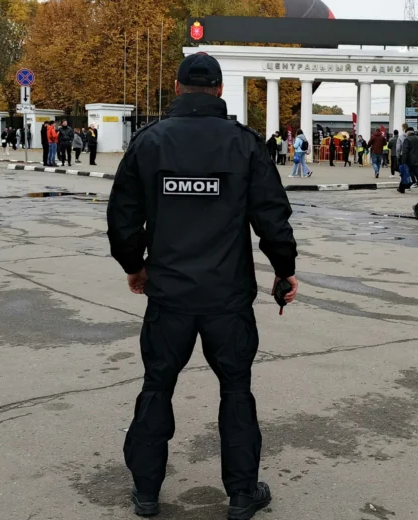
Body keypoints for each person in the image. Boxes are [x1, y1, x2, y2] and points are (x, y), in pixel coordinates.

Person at [106, 52, 297, 520]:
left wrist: (135, 266)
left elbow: (123, 219)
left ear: (176, 88)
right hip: (226, 298)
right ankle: (242, 494)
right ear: (219, 90)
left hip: (169, 296)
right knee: (236, 389)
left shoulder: (149, 142)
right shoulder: (244, 144)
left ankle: (146, 492)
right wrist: (284, 268)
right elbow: (271, 216)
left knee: (157, 386)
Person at [400, 127, 418, 194]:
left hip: (409, 161)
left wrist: (403, 161)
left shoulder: (407, 139)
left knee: (405, 174)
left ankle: (402, 188)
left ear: (408, 132)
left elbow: (405, 151)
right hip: (417, 160)